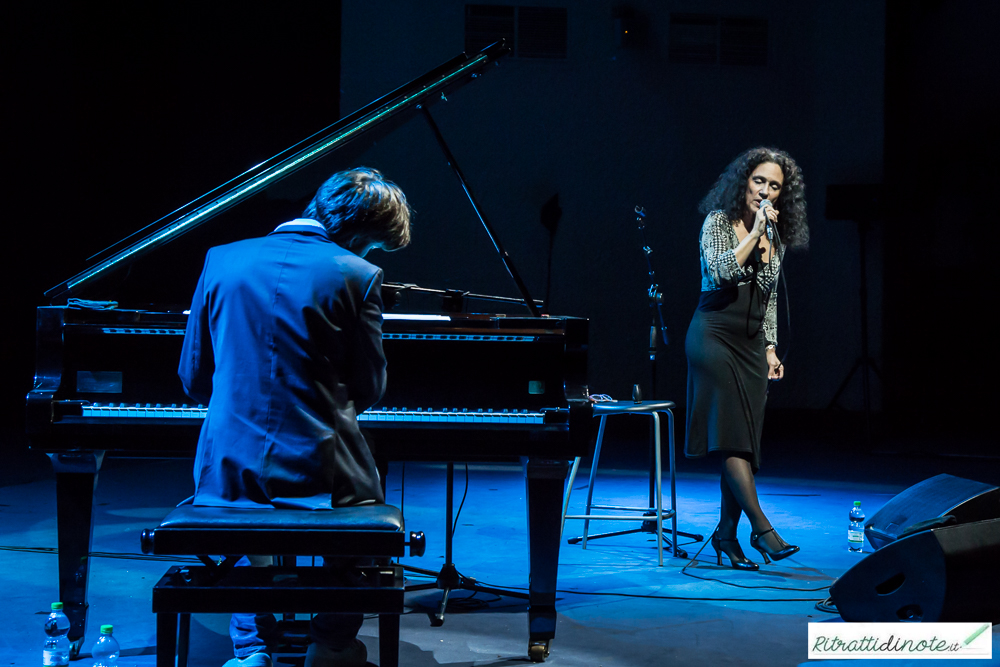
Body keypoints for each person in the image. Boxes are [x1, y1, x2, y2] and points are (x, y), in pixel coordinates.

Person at [178, 167, 412, 667]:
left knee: (243, 520)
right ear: (359, 234)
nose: (367, 255)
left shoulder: (220, 260)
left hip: (229, 467)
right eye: (372, 245)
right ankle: (329, 645)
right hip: (321, 466)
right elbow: (370, 387)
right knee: (358, 525)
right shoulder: (357, 274)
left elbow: (194, 376)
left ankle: (250, 650)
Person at [684, 147, 809, 570]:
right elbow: (720, 272)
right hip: (714, 335)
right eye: (760, 181)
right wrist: (754, 234)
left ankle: (725, 537)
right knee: (733, 436)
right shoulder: (718, 222)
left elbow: (769, 298)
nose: (766, 191)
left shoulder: (778, 236)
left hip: (752, 342)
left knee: (743, 443)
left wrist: (771, 347)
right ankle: (763, 530)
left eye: (775, 185)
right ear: (744, 181)